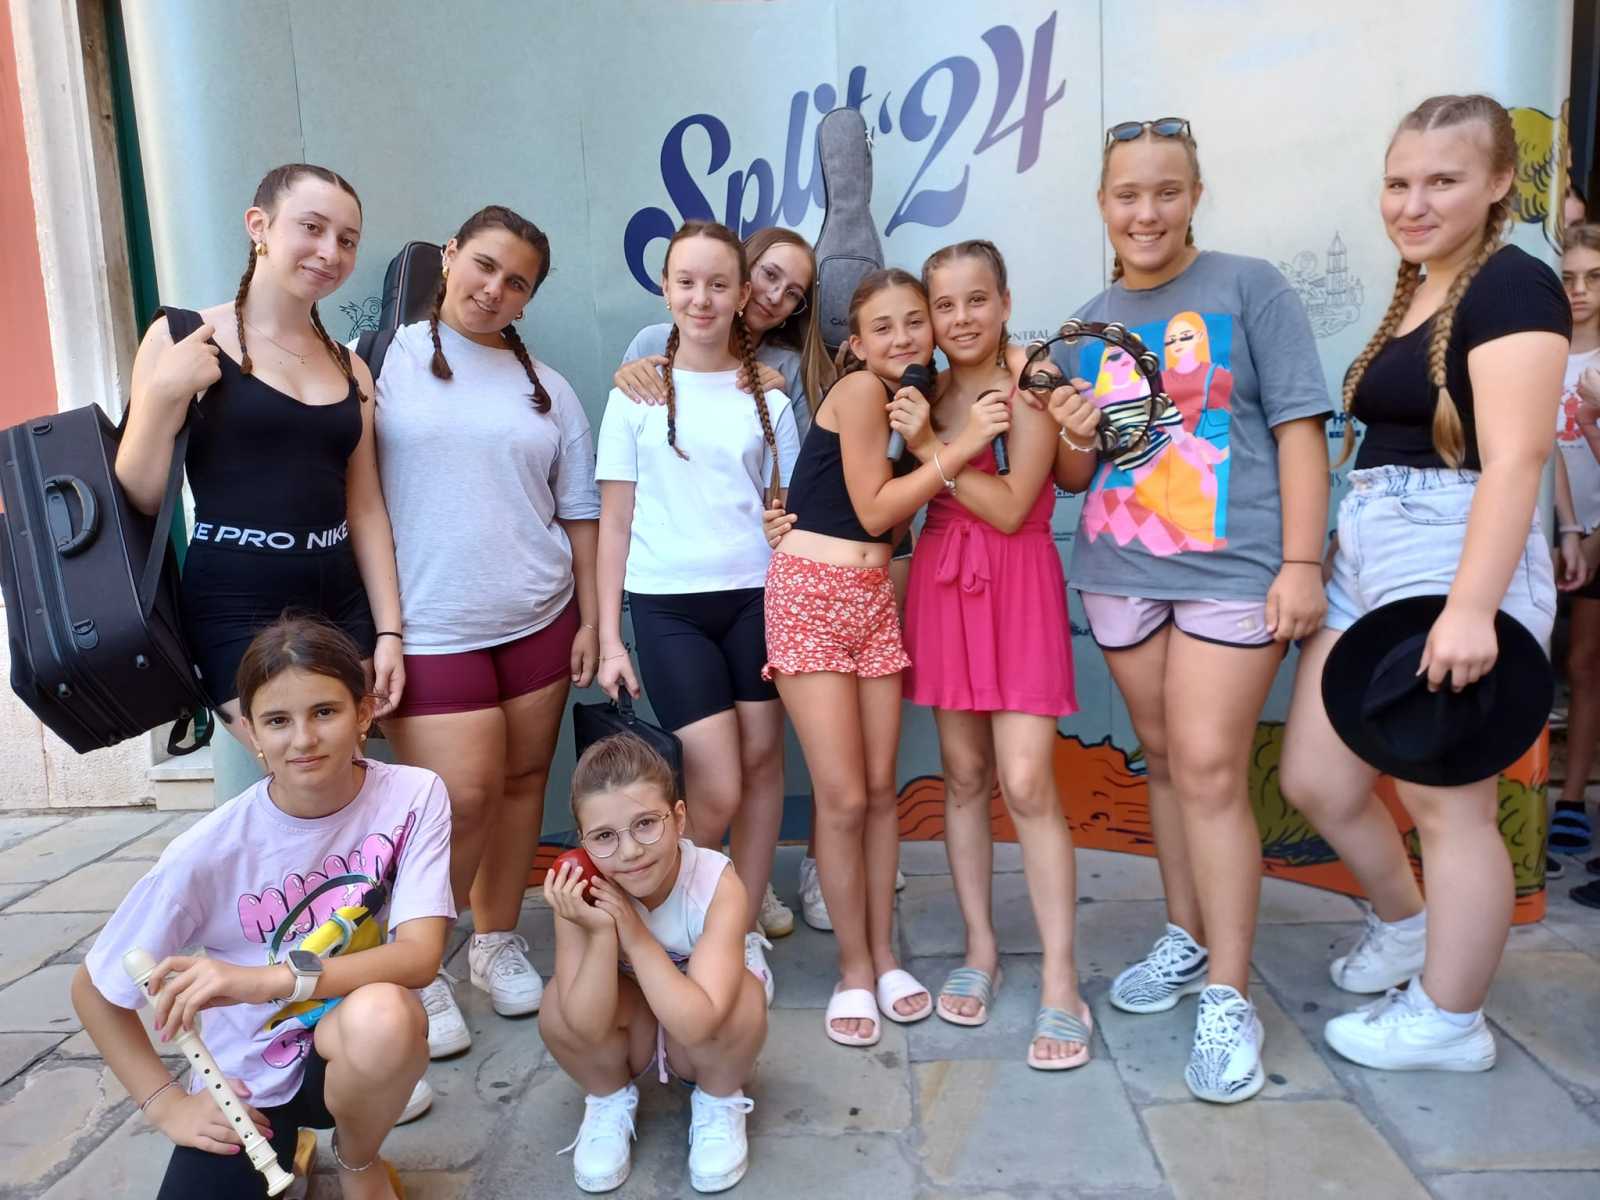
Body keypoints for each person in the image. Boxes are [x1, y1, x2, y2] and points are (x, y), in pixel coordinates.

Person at [1042, 119, 1332, 1101]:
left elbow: (1299, 429)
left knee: (1209, 766)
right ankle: (1186, 934)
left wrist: (1301, 561)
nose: (1146, 212)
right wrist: (1070, 428)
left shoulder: (1251, 288)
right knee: (1166, 760)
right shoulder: (1083, 326)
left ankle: (1228, 994)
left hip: (1233, 571)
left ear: (1194, 196)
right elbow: (1076, 475)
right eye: (1128, 194)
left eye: (1165, 191)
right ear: (1103, 204)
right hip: (1121, 571)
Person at [1279, 94, 1569, 1070]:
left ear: (1498, 184)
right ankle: (1410, 928)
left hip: (1452, 552)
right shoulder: (1425, 283)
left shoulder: (1514, 285)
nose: (1413, 202)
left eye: (1442, 180)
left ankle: (1450, 1020)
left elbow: (1517, 459)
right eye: (1398, 182)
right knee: (1316, 776)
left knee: (1449, 806)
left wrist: (1472, 608)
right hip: (1377, 551)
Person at [70, 616, 453, 1200]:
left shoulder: (415, 794)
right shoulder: (205, 852)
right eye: (278, 720)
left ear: (364, 713)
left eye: (324, 712)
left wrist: (260, 981)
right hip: (248, 1081)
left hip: (353, 1038)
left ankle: (357, 1159)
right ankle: (291, 1148)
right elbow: (93, 990)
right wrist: (167, 1105)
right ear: (249, 732)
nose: (303, 739)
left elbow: (420, 957)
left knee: (387, 1018)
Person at [365, 206, 601, 1051]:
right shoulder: (379, 361)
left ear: (529, 298)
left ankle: (495, 941)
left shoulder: (549, 389)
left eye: (517, 282)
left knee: (522, 782)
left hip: (539, 618)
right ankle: (416, 967)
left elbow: (579, 510)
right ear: (450, 255)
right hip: (428, 625)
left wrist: (592, 620)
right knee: (455, 800)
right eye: (485, 266)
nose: (495, 289)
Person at [764, 268, 1005, 1046]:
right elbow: (873, 512)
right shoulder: (864, 392)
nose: (903, 337)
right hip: (811, 597)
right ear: (856, 345)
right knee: (841, 799)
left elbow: (886, 526)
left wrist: (935, 439)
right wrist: (961, 447)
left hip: (872, 600)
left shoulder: (912, 403)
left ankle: (886, 955)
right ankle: (854, 971)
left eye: (914, 321)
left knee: (876, 792)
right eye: (883, 327)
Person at [115, 163, 404, 733]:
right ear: (259, 225)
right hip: (234, 600)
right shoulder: (182, 336)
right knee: (298, 765)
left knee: (344, 766)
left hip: (342, 600)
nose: (330, 252)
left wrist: (390, 630)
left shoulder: (352, 368)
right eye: (312, 227)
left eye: (347, 240)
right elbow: (140, 496)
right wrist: (166, 394)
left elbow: (366, 507)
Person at [595, 220, 802, 1004]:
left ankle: (737, 924)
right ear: (665, 289)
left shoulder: (769, 398)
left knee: (764, 764)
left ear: (744, 294)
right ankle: (669, 921)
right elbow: (615, 522)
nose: (702, 298)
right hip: (668, 608)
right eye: (687, 282)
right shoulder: (634, 395)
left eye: (719, 284)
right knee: (713, 789)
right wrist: (609, 635)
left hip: (758, 599)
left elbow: (783, 510)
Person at [896, 240, 1090, 1069]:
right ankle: (980, 948)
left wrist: (928, 455)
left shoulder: (1031, 382)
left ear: (1006, 302)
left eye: (977, 300)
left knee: (1027, 780)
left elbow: (1013, 507)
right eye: (945, 305)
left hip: (1018, 579)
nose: (962, 318)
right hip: (944, 580)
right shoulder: (922, 391)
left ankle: (1061, 979)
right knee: (964, 775)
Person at [539, 734, 767, 1194]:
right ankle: (608, 1098)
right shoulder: (580, 889)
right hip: (632, 1021)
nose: (629, 852)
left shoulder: (716, 884)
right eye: (604, 836)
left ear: (678, 818)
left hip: (696, 1025)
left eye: (645, 824)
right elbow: (584, 1025)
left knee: (744, 997)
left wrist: (634, 934)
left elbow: (699, 1023)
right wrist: (600, 932)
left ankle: (718, 1098)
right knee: (556, 1008)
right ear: (583, 842)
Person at [1550, 224, 1600, 870]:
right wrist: (1568, 530)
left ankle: (1571, 796)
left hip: (1596, 535)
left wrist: (1593, 539)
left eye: (1594, 277)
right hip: (1547, 529)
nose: (1580, 290)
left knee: (1587, 664)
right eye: (1567, 278)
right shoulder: (1541, 349)